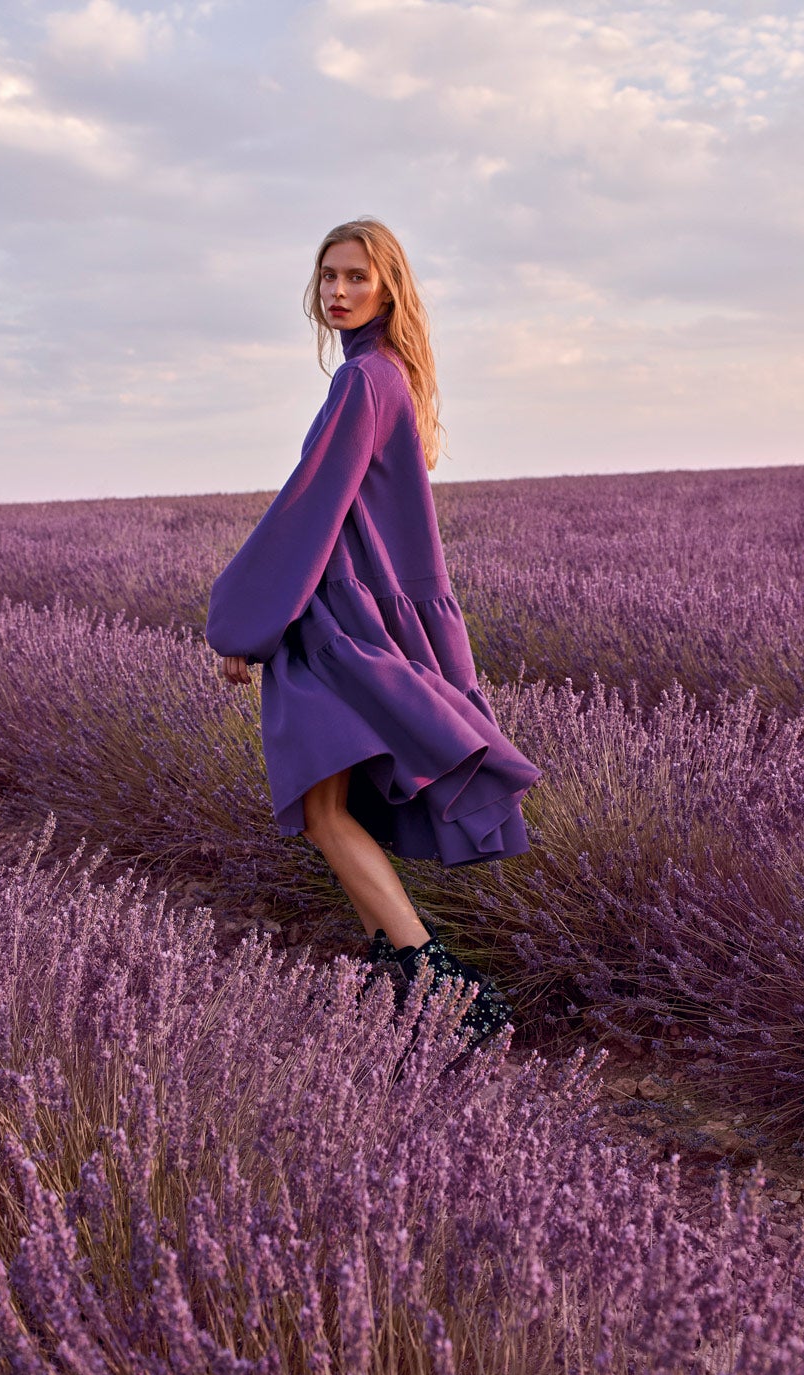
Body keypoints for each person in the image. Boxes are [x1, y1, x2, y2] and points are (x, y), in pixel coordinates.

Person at [206, 216, 540, 1043]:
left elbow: (310, 507)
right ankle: (420, 987)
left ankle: (444, 996)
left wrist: (243, 623)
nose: (339, 292)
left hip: (339, 624)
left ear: (389, 285)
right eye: (328, 278)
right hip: (361, 616)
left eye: (356, 277)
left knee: (323, 813)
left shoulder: (364, 382)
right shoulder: (390, 376)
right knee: (327, 810)